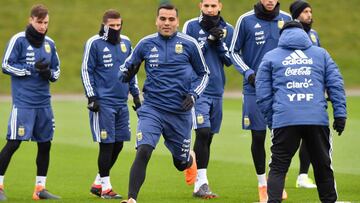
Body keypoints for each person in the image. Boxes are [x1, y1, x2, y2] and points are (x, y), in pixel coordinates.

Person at [119, 3, 210, 203]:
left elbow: (204, 74)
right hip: (152, 109)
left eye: (171, 19)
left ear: (177, 21)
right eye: (163, 19)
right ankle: (132, 199)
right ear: (156, 21)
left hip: (180, 112)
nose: (166, 23)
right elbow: (124, 69)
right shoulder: (145, 43)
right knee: (144, 150)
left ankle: (190, 160)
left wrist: (193, 94)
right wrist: (126, 74)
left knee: (180, 163)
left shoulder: (190, 44)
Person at [255, 20, 347, 203]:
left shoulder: (271, 56)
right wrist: (340, 114)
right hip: (316, 119)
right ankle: (329, 200)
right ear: (304, 34)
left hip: (285, 119)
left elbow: (262, 92)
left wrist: (273, 120)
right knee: (322, 165)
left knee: (279, 167)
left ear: (282, 35)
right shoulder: (320, 54)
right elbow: (335, 84)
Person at [229, 0, 291, 201]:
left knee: (281, 136)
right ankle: (262, 183)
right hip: (254, 88)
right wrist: (249, 73)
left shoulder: (287, 19)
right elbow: (233, 51)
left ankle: (277, 182)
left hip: (281, 88)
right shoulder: (245, 20)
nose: (270, 1)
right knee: (258, 137)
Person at [0, 4, 60, 200]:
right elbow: (6, 65)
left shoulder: (50, 43)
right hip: (24, 102)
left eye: (46, 23)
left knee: (45, 145)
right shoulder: (18, 40)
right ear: (31, 20)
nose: (43, 26)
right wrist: (31, 68)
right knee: (14, 143)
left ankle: (39, 189)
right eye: (40, 22)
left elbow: (56, 72)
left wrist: (47, 73)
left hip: (44, 102)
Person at [81, 9, 141, 199]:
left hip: (121, 102)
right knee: (106, 145)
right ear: (104, 25)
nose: (115, 29)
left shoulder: (126, 42)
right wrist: (91, 97)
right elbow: (86, 70)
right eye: (111, 26)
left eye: (118, 25)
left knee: (119, 144)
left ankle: (98, 183)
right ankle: (105, 187)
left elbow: (131, 71)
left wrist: (136, 95)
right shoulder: (94, 43)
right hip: (103, 102)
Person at [182, 0, 233, 199]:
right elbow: (187, 56)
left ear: (220, 6)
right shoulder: (191, 26)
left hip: (217, 89)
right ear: (200, 6)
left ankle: (194, 163)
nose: (210, 9)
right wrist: (208, 40)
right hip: (197, 88)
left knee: (208, 136)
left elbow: (228, 60)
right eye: (206, 5)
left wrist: (219, 41)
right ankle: (201, 183)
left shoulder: (228, 28)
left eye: (214, 5)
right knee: (202, 132)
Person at [289, 0, 319, 189]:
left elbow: (319, 61)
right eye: (304, 11)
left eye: (310, 11)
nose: (308, 14)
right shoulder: (288, 36)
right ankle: (278, 174)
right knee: (288, 137)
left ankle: (302, 175)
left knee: (310, 135)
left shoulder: (314, 35)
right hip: (293, 91)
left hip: (312, 92)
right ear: (296, 15)